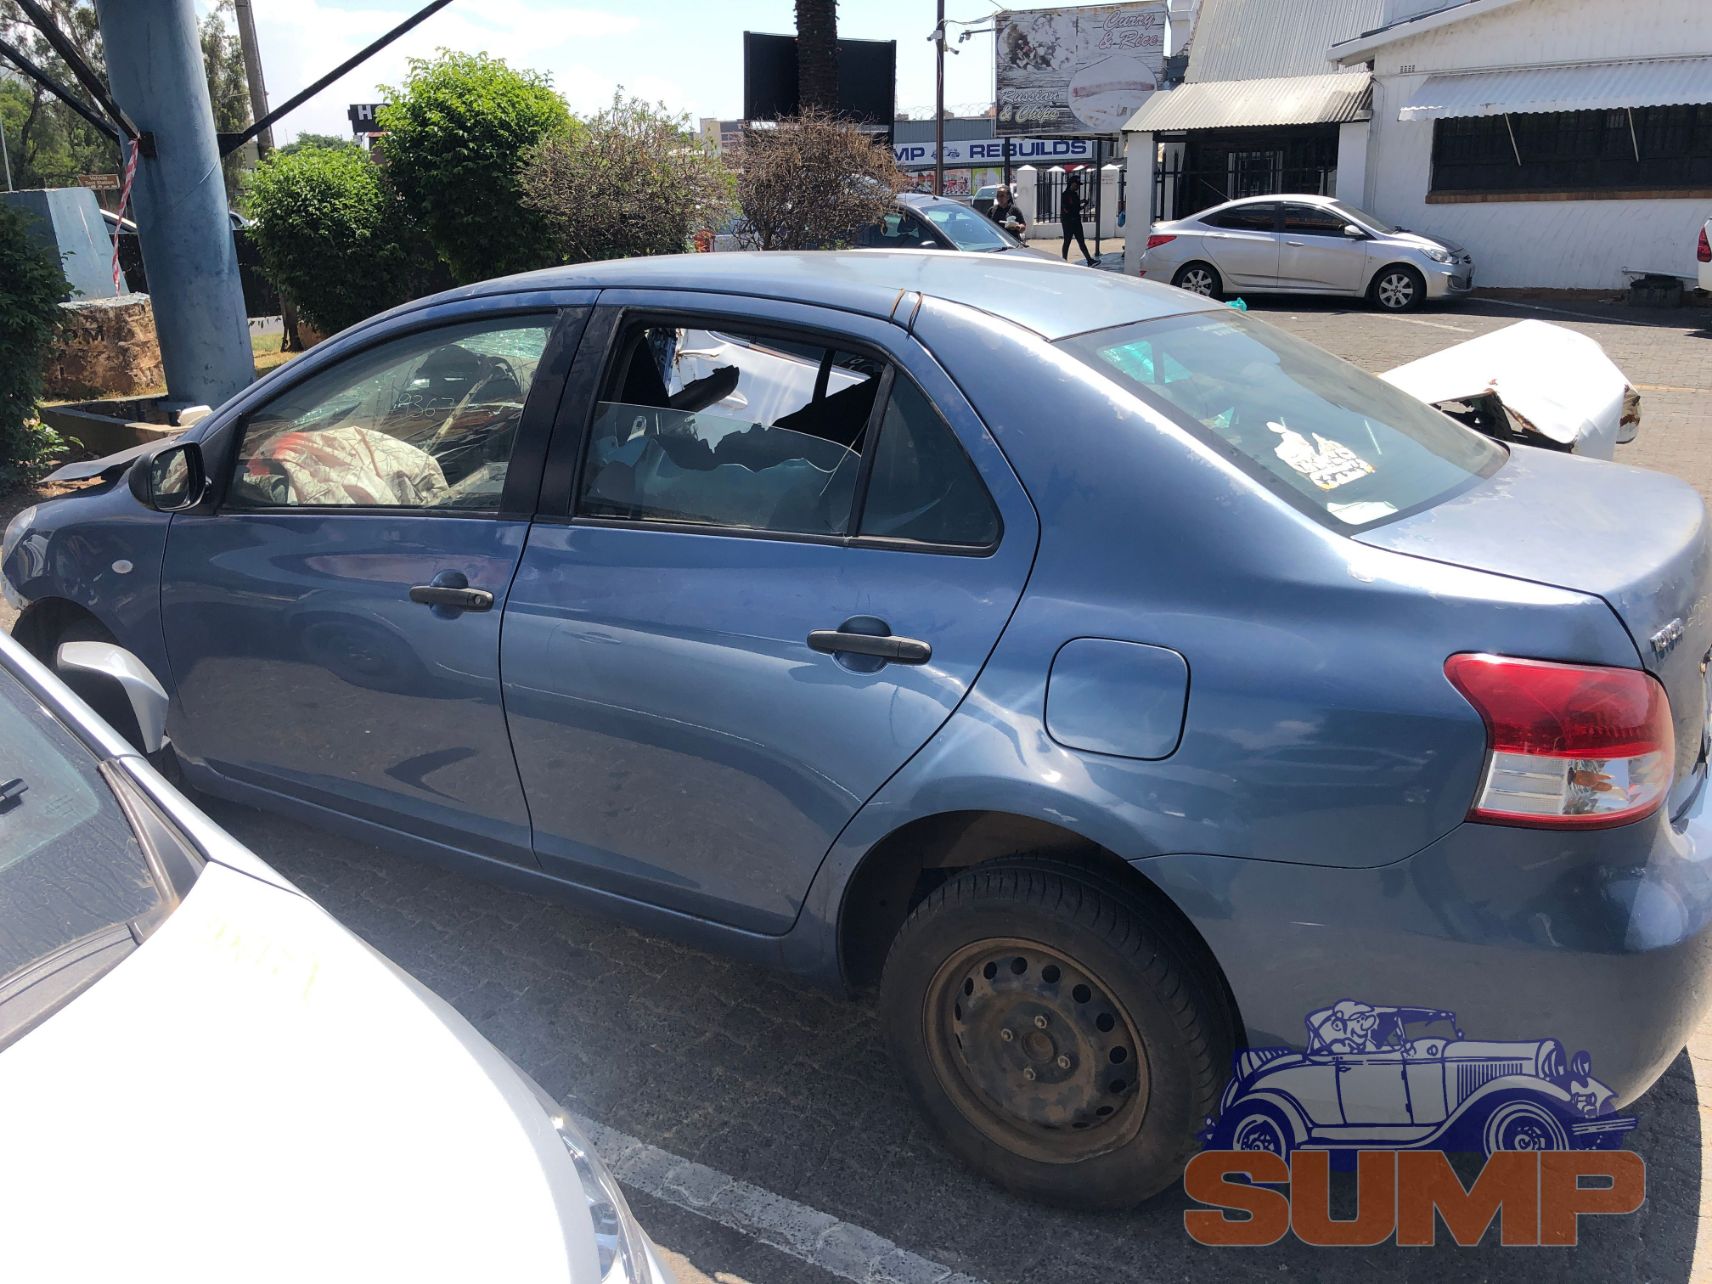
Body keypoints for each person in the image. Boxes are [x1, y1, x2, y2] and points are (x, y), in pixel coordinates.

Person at [1060, 172, 1095, 266]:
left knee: (1081, 241)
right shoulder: (1065, 195)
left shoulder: (1075, 195)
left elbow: (1077, 207)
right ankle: (1064, 261)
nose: (1078, 187)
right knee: (1067, 241)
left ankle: (1089, 260)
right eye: (1076, 185)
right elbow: (1067, 209)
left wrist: (1083, 204)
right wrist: (1077, 207)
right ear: (1071, 184)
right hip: (1068, 222)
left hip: (1076, 221)